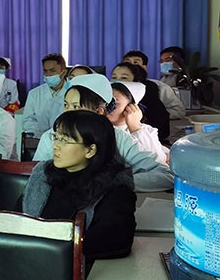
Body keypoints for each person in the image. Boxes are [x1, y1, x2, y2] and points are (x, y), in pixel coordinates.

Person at [21, 110, 137, 266]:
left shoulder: (115, 189)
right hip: (29, 263)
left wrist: (49, 248)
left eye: (64, 140)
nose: (55, 146)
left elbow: (115, 241)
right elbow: (17, 219)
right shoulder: (43, 175)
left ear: (90, 150)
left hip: (82, 271)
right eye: (56, 137)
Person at [33, 74, 173, 192]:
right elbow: (36, 178)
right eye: (66, 105)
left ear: (99, 111)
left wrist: (115, 182)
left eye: (76, 106)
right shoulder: (51, 137)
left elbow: (165, 175)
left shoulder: (118, 137)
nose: (67, 112)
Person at [108, 81, 168, 165]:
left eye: (115, 102)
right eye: (105, 101)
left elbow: (156, 162)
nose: (107, 106)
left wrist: (135, 128)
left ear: (131, 107)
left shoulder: (145, 130)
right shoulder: (97, 126)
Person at [111, 62, 170, 142]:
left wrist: (135, 128)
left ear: (136, 82)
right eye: (114, 77)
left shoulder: (149, 103)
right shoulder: (105, 102)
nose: (117, 81)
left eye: (124, 78)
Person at [122, 50, 185, 119]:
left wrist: (151, 116)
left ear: (144, 67)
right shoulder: (116, 87)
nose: (130, 66)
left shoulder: (160, 87)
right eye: (127, 63)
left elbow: (179, 111)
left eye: (136, 62)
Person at [22, 53, 68, 137]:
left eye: (53, 71)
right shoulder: (34, 94)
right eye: (45, 71)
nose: (48, 75)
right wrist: (44, 135)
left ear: (64, 72)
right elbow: (27, 121)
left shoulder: (72, 92)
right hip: (40, 139)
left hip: (66, 139)